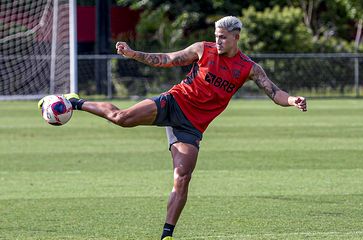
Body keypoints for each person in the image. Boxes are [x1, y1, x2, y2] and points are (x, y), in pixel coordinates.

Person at [39, 16, 307, 240]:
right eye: (216, 35)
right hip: (174, 102)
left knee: (182, 176)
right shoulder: (203, 50)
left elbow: (274, 93)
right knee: (121, 118)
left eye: (223, 37)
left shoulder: (249, 68)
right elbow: (167, 58)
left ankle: (167, 234)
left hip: (192, 126)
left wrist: (293, 100)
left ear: (236, 37)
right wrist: (134, 54)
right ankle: (76, 102)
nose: (218, 40)